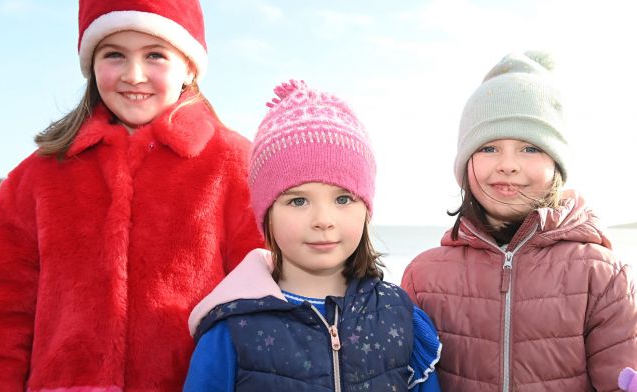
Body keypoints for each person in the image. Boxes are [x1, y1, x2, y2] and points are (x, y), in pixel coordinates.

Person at [0, 0, 263, 390]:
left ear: (189, 67)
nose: (134, 75)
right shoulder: (35, 177)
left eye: (155, 55)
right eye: (114, 54)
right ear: (91, 64)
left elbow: (266, 310)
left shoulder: (236, 166)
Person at [183, 80, 442, 391]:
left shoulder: (400, 317)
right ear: (267, 214)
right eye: (298, 201)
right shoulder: (231, 328)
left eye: (343, 199)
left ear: (367, 209)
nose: (323, 220)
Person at [401, 51, 637, 391]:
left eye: (529, 148)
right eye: (488, 148)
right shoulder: (423, 276)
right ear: (465, 163)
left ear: (557, 163)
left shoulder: (601, 275)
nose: (508, 164)